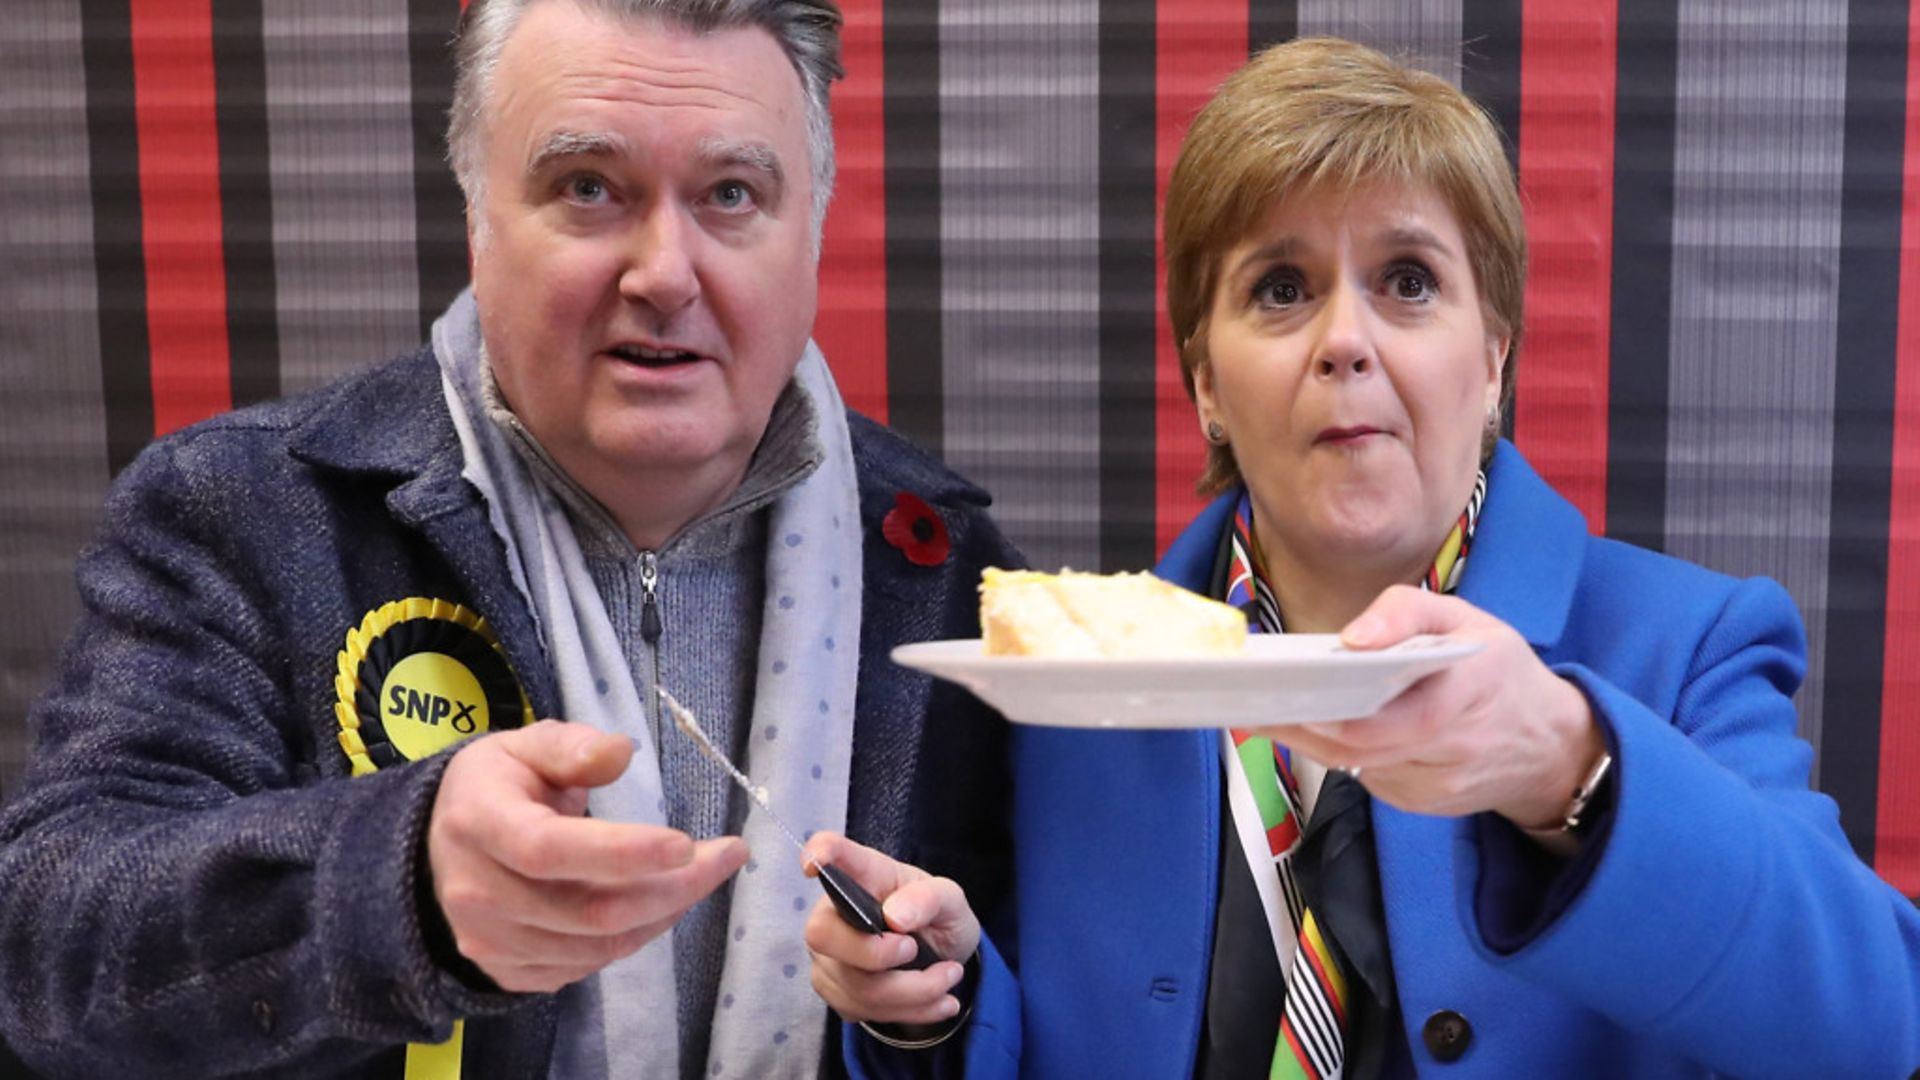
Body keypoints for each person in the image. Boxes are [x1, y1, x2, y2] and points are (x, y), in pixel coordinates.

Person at [807, 37, 1920, 1079]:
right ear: (1206, 381)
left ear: (1492, 359)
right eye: (1281, 290)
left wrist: (1570, 771)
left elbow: (1878, 1023)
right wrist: (940, 1001)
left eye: (1410, 281)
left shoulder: (1688, 649)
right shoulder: (1069, 691)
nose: (1346, 340)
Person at [0, 1, 1014, 1076]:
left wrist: (932, 1007)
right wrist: (399, 893)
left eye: (730, 194)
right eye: (588, 188)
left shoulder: (943, 563)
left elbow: (1057, 991)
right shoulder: (246, 510)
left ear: (809, 231)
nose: (665, 272)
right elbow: (43, 946)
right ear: (480, 224)